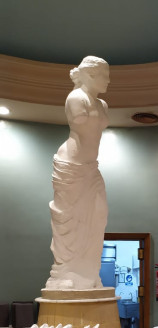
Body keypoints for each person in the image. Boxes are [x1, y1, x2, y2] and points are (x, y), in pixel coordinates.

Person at [45, 56, 110, 290]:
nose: (108, 81)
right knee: (69, 220)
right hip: (71, 165)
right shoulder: (76, 98)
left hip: (91, 168)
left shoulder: (102, 104)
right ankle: (64, 273)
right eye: (105, 75)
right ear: (90, 75)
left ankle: (90, 272)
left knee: (98, 216)